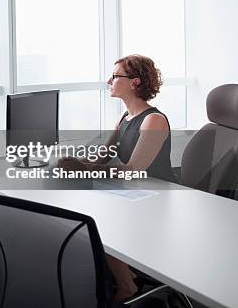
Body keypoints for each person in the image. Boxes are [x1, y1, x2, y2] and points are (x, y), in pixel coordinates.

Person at [58, 54, 175, 302]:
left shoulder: (153, 120)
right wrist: (70, 162)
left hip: (157, 200)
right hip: (137, 193)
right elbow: (102, 159)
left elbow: (134, 169)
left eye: (115, 76)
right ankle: (116, 275)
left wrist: (82, 168)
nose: (108, 80)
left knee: (99, 219)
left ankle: (126, 285)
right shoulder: (125, 118)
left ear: (134, 82)